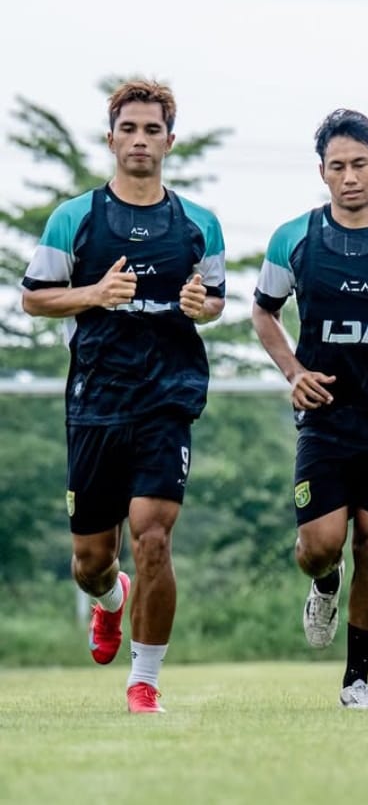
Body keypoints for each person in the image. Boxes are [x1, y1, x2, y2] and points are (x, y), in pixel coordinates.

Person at [21, 79, 226, 714]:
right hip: (95, 400)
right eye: (129, 129)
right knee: (91, 562)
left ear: (171, 139)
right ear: (111, 138)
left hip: (168, 399)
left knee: (154, 535)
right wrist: (92, 295)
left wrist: (204, 306)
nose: (141, 140)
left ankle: (145, 683)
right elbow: (33, 295)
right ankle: (110, 601)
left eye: (152, 130)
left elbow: (214, 299)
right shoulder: (75, 217)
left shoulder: (198, 223)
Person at [252, 109, 368, 709]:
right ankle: (324, 586)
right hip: (326, 417)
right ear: (323, 172)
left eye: (360, 164)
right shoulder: (295, 238)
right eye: (337, 166)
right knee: (319, 545)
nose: (350, 176)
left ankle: (356, 680)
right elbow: (264, 312)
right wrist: (294, 371)